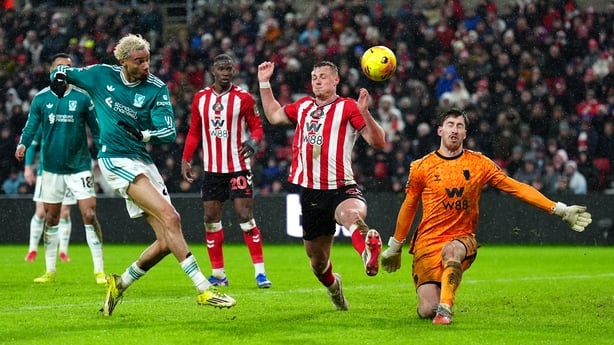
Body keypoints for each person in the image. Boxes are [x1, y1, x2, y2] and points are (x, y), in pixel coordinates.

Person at [47, 34, 235, 316]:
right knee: (172, 218)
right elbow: (61, 71)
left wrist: (146, 134)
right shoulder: (100, 75)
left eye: (147, 58)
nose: (146, 64)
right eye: (139, 61)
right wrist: (58, 79)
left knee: (165, 241)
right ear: (123, 61)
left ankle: (119, 284)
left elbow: (169, 132)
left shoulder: (156, 88)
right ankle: (203, 289)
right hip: (114, 159)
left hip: (142, 161)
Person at [380, 108, 592, 325]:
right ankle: (439, 300)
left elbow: (515, 187)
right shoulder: (421, 167)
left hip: (462, 238)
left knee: (451, 251)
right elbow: (409, 206)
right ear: (440, 131)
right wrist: (395, 246)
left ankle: (445, 310)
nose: (455, 130)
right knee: (426, 309)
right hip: (427, 243)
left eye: (460, 126)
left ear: (465, 134)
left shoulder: (479, 164)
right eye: (450, 125)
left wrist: (559, 209)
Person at [257, 60, 386, 310]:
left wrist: (366, 113)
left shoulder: (348, 107)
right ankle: (334, 288)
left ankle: (367, 253)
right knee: (317, 262)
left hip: (341, 187)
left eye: (323, 76)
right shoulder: (303, 106)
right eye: (314, 76)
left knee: (351, 215)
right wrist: (264, 82)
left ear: (336, 80)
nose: (317, 80)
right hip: (311, 194)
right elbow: (274, 115)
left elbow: (378, 142)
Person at [181, 54, 272, 289]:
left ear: (233, 71)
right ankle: (219, 275)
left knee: (244, 216)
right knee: (211, 219)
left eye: (229, 69)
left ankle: (260, 273)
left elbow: (258, 128)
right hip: (212, 170)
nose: (225, 72)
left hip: (238, 167)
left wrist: (253, 142)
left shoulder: (244, 98)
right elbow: (194, 132)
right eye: (221, 68)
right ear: (213, 70)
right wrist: (186, 158)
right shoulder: (200, 99)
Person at [15, 53, 106, 285]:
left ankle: (99, 270)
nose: (63, 71)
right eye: (59, 67)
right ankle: (50, 270)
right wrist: (23, 144)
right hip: (52, 169)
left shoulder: (83, 98)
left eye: (68, 67)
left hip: (79, 167)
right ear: (51, 70)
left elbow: (96, 130)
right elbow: (31, 126)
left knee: (89, 214)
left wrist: (104, 153)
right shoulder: (40, 99)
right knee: (51, 217)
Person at [24, 127, 76, 263]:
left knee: (65, 212)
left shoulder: (73, 116)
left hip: (69, 171)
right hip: (46, 171)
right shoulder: (46, 116)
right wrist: (28, 166)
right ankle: (32, 249)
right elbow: (32, 144)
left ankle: (63, 251)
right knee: (41, 211)